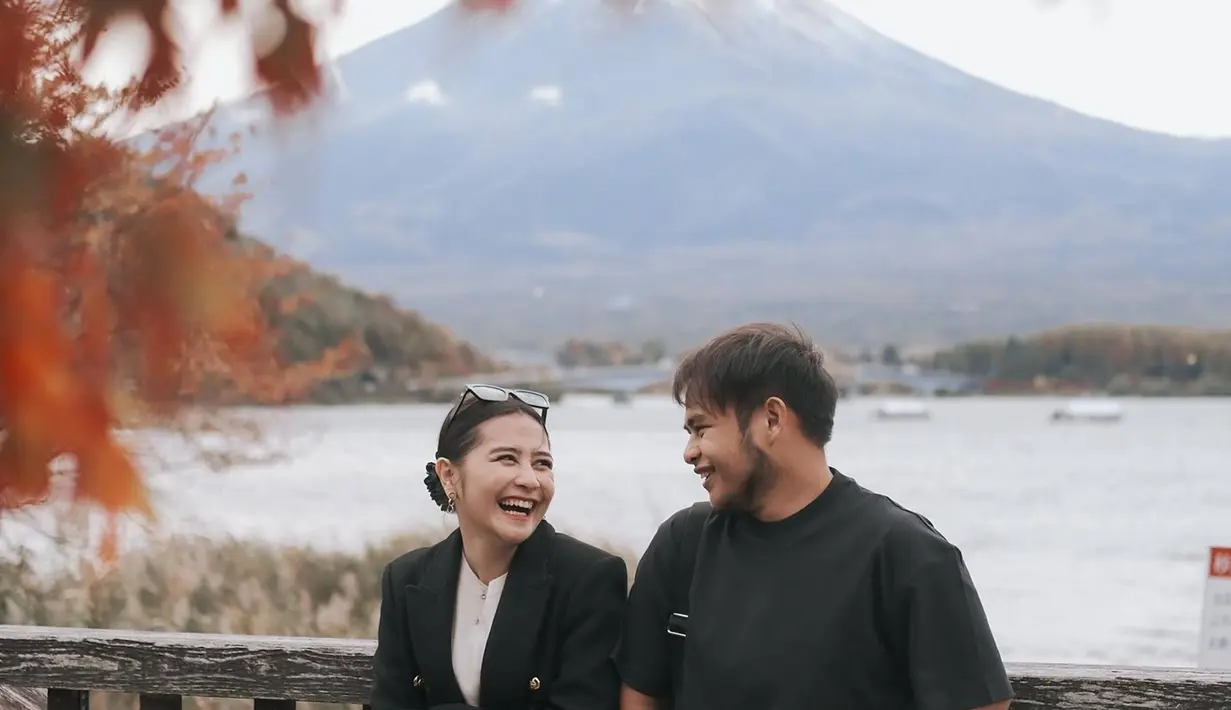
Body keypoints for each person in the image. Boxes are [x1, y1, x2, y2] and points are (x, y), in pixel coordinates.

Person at [612, 323, 1015, 710]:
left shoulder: (906, 553)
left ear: (772, 419)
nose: (689, 452)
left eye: (701, 428)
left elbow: (980, 701)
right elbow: (642, 692)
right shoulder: (684, 544)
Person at [370, 384, 628, 710]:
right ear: (448, 475)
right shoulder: (406, 579)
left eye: (542, 463)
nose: (530, 480)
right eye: (507, 458)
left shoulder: (589, 580)